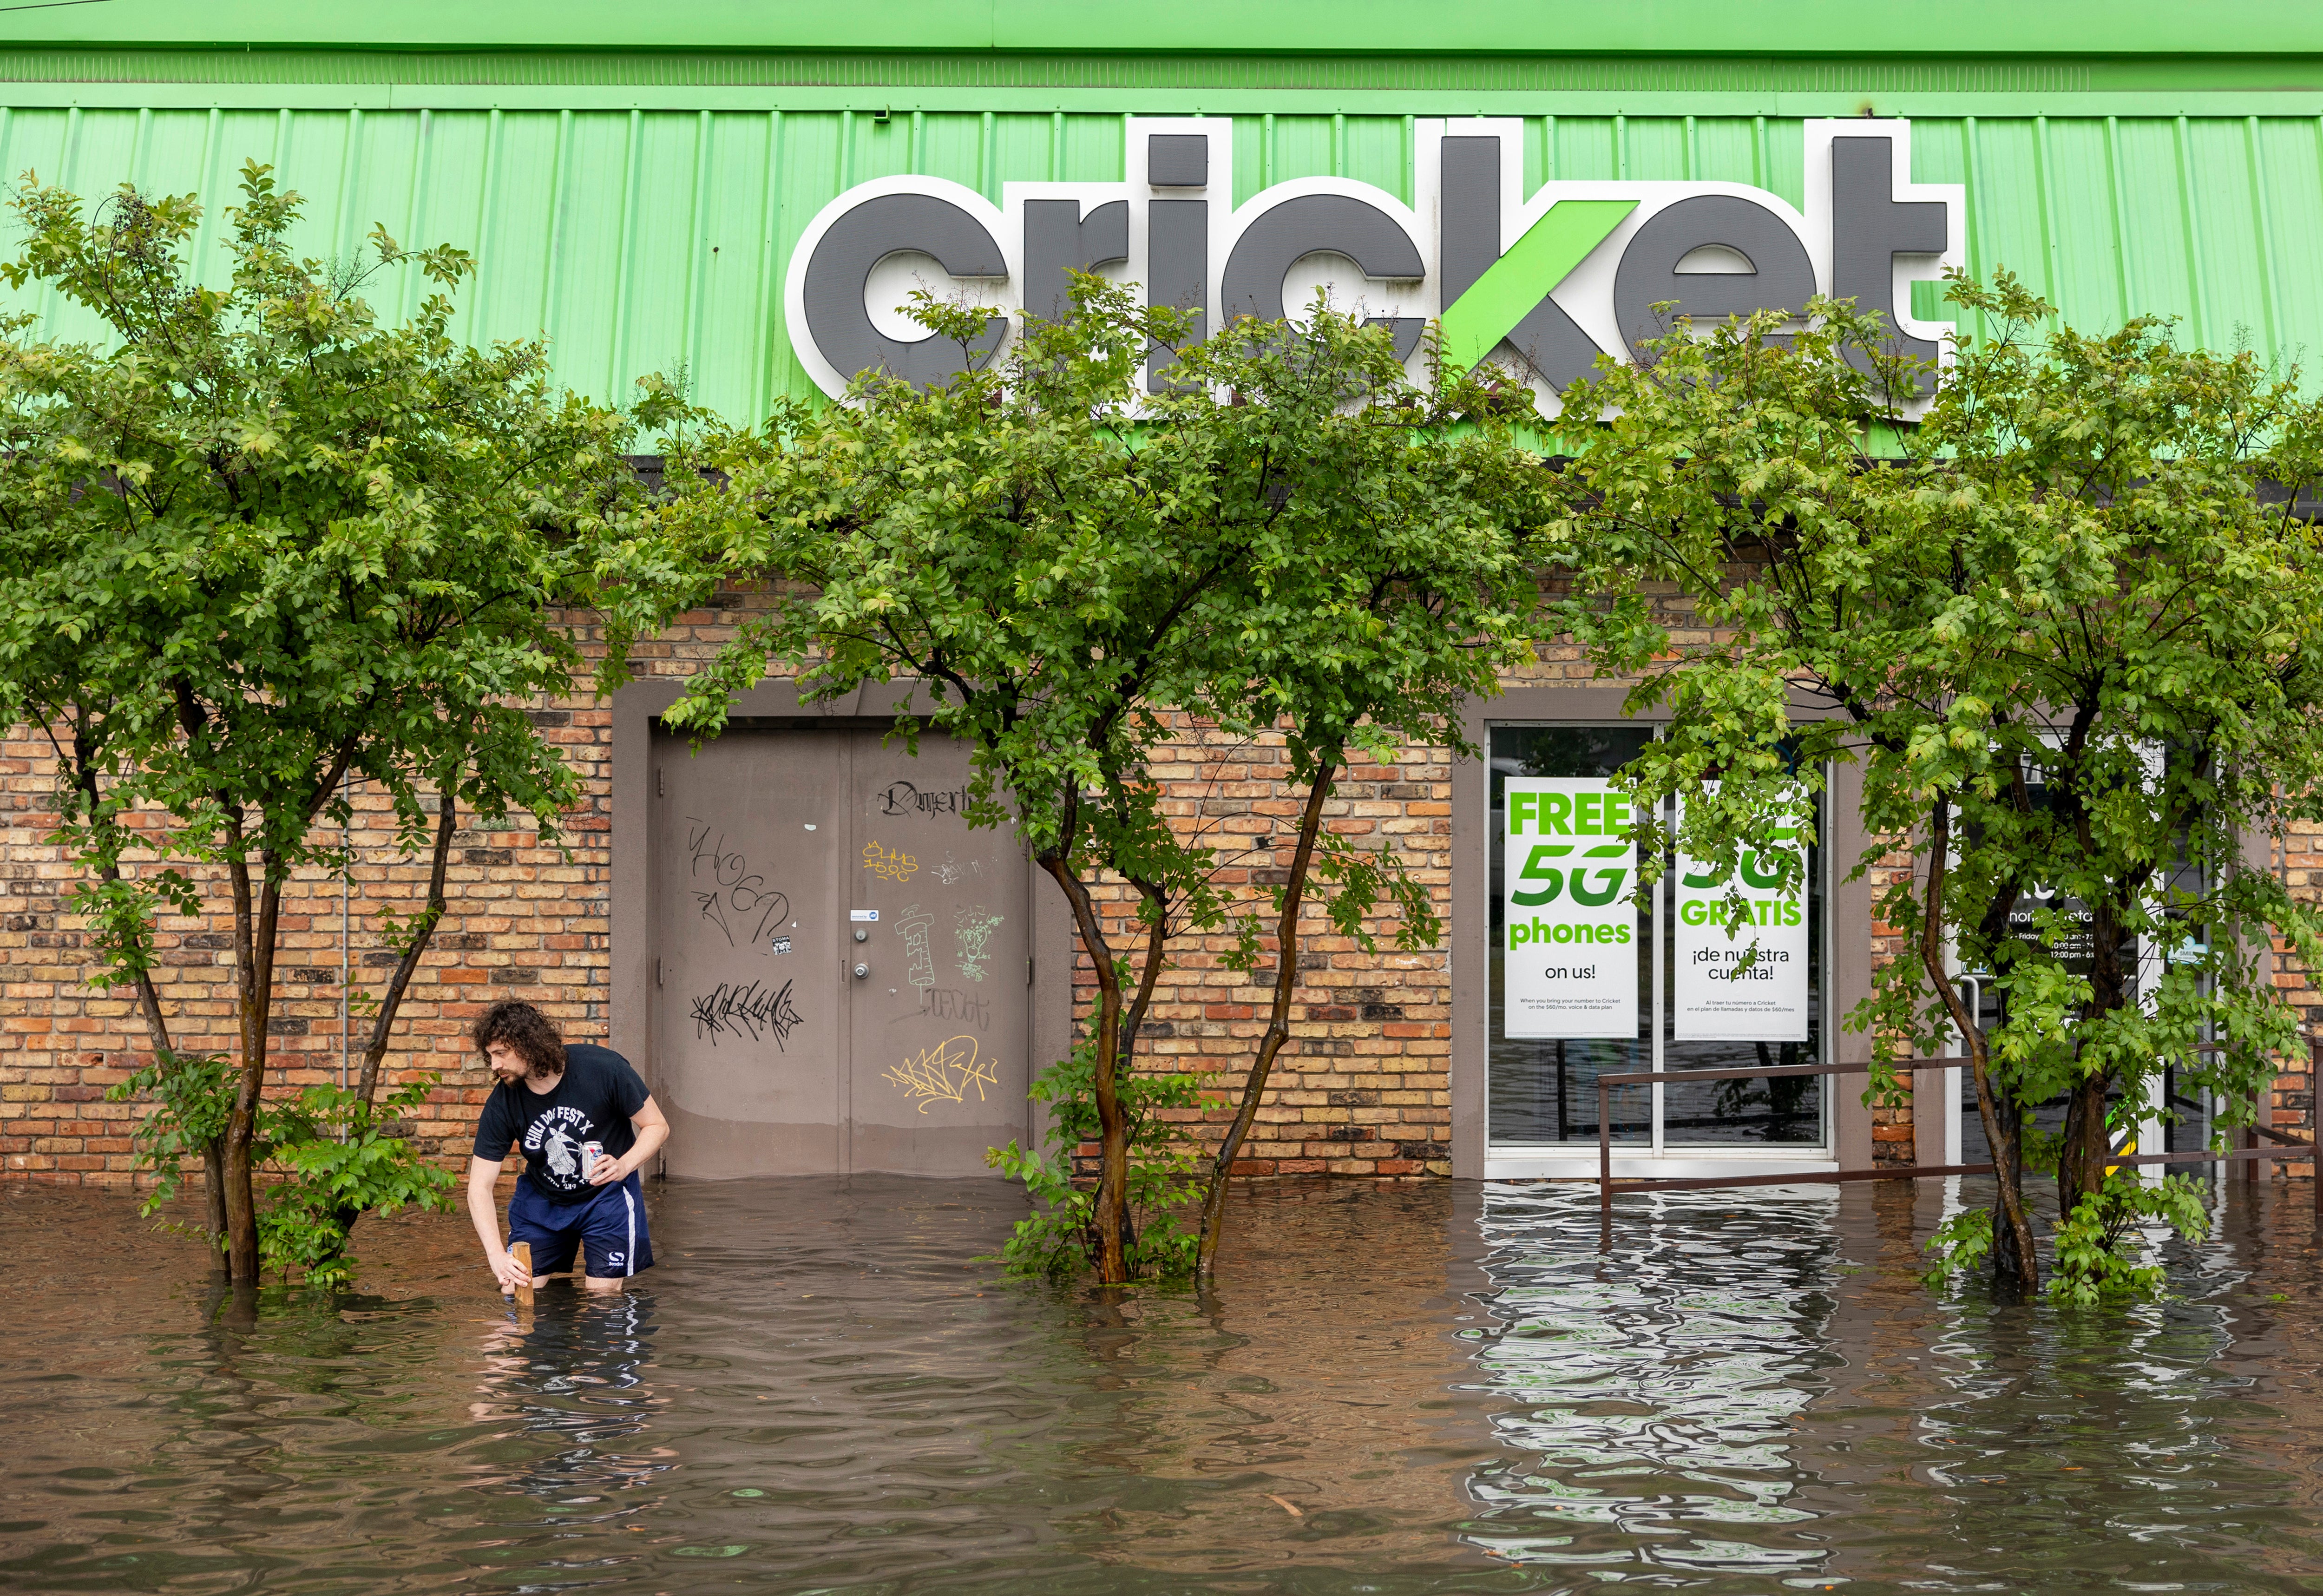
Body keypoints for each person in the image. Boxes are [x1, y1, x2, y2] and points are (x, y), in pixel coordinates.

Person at [466, 1000, 671, 1294]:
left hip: (606, 1195)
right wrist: (497, 1256)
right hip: (543, 1199)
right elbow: (479, 1187)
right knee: (516, 1292)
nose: (495, 1065)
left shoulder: (604, 1068)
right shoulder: (504, 1101)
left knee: (602, 1301)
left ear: (528, 1045)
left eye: (501, 1054)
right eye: (490, 1056)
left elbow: (657, 1126)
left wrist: (624, 1165)